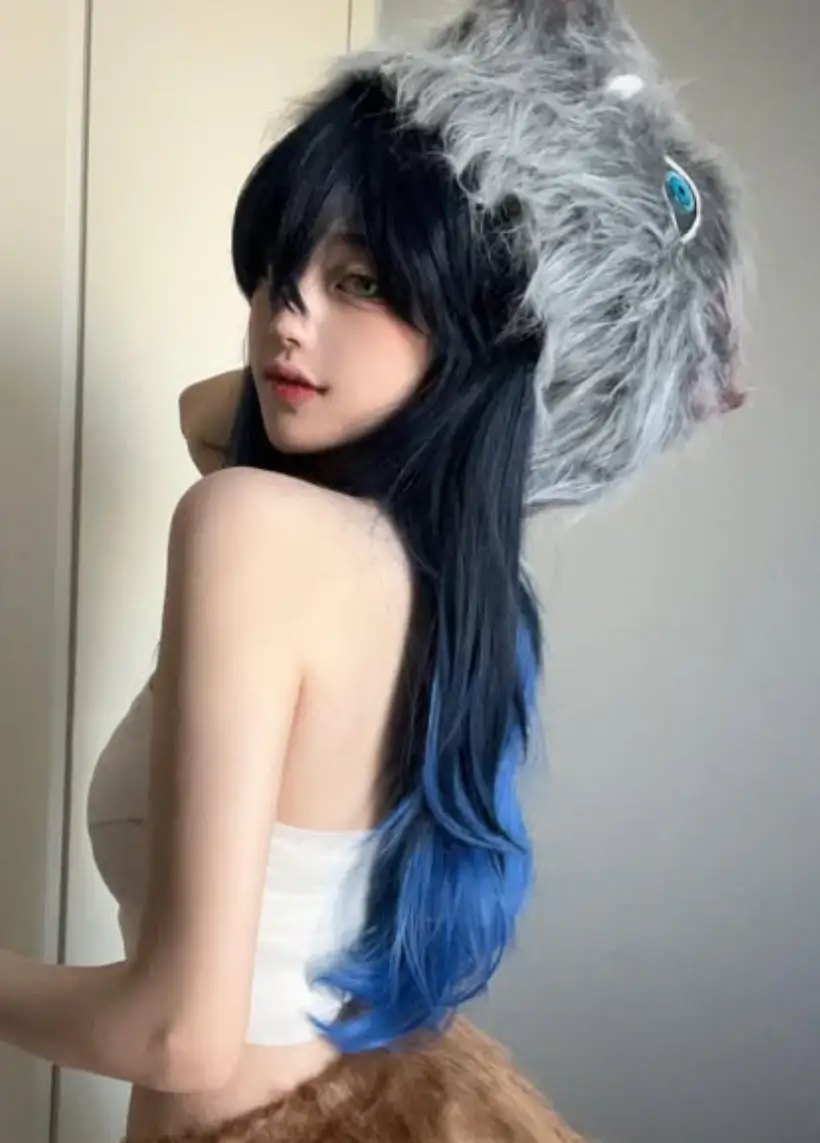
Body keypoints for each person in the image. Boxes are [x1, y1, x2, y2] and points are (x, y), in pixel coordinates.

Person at [0, 2, 743, 1140]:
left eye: (358, 281)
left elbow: (176, 1034)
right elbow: (206, 408)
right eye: (276, 270)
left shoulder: (252, 527)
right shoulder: (451, 576)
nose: (286, 319)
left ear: (474, 326)